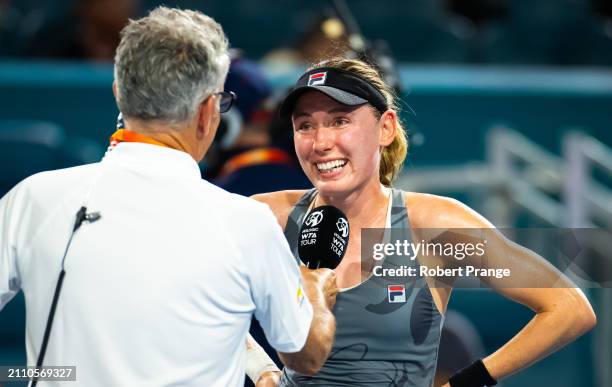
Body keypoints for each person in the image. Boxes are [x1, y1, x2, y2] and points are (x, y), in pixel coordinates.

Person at [0, 7, 337, 387]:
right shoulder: (247, 223)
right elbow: (307, 354)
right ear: (209, 111)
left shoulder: (31, 199)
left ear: (118, 95)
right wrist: (315, 287)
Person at [251, 57, 597, 386]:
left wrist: (466, 382)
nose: (321, 142)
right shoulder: (265, 217)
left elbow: (568, 308)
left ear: (385, 128)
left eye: (340, 121)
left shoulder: (434, 224)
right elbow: (202, 300)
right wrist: (261, 369)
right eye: (305, 125)